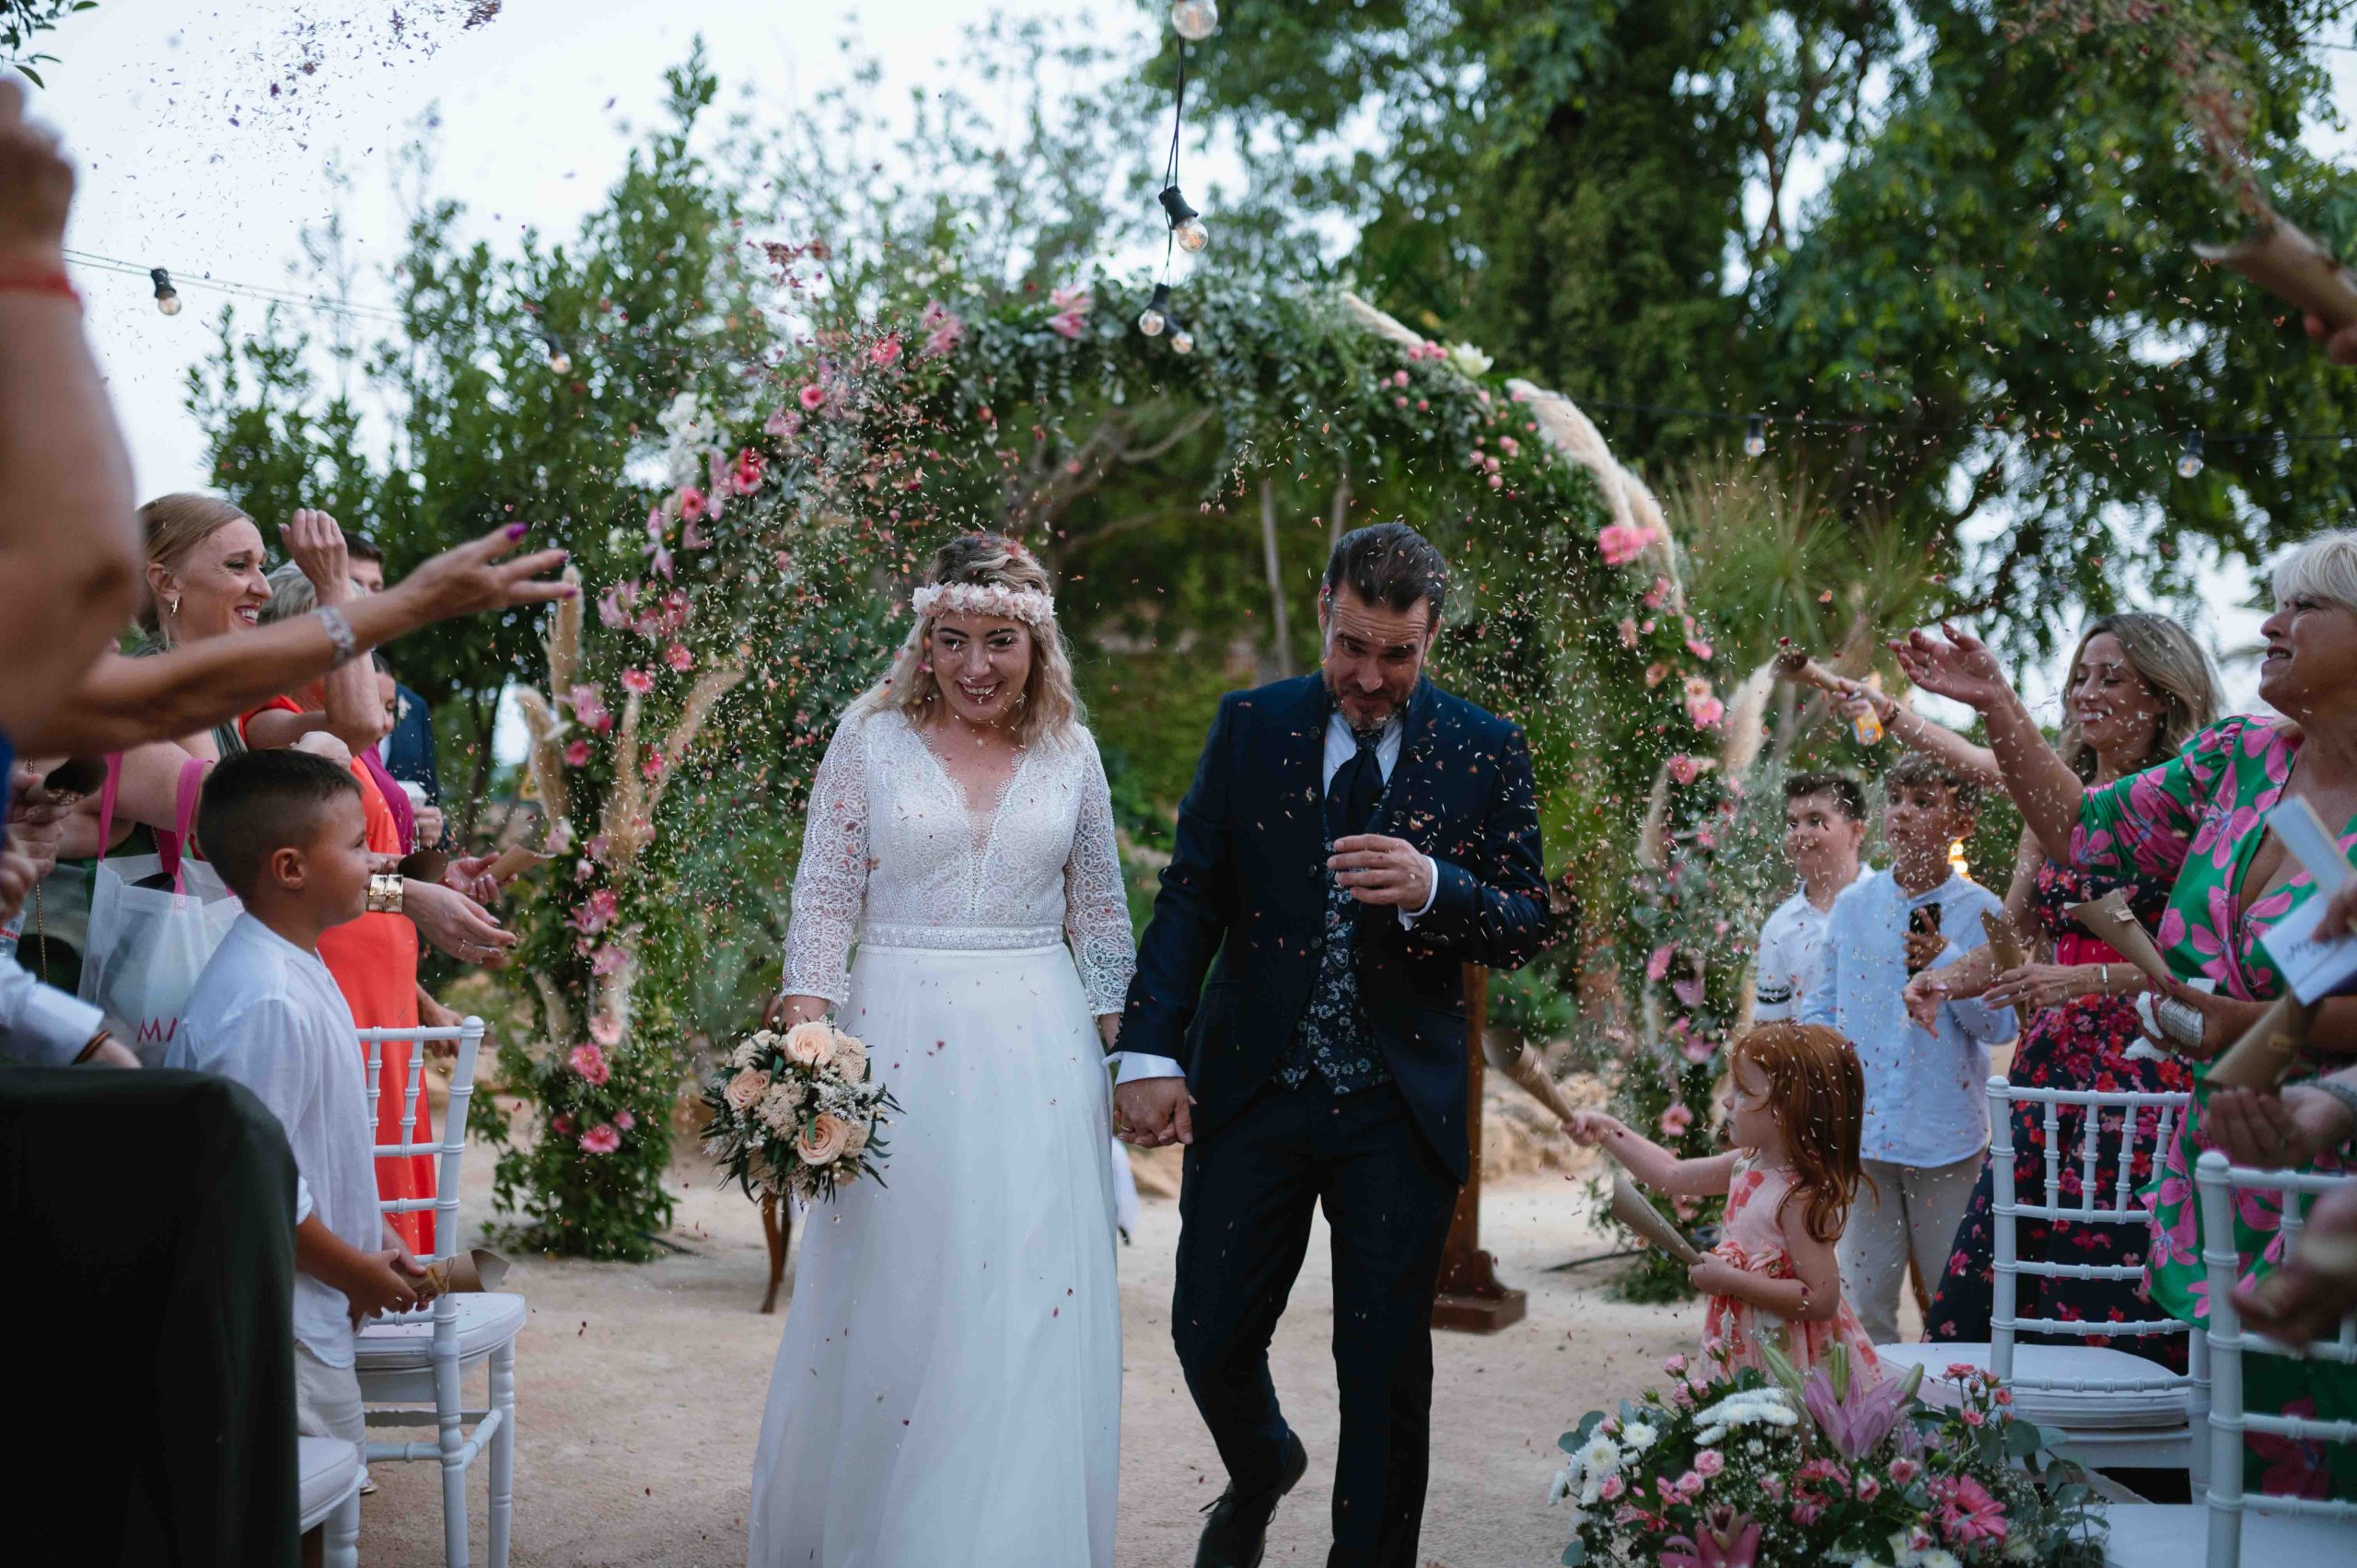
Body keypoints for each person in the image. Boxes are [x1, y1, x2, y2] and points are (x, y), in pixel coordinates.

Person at [1115, 522, 1551, 1568]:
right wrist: (1147, 1050)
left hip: (1396, 1107)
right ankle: (1262, 1463)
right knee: (1207, 1330)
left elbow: (1528, 919)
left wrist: (1438, 887)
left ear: (1430, 634)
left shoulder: (1485, 746)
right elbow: (1191, 897)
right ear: (1324, 607)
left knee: (1384, 1374)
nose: (1369, 675)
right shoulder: (1251, 724)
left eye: (1396, 654)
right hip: (1256, 1087)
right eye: (1352, 646)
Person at [1893, 529, 2357, 1500]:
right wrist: (1995, 700)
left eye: (2302, 609)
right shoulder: (2241, 760)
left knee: (2314, 1491)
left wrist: (2220, 1020)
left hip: (2330, 1202)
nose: (2268, 626)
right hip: (2216, 1186)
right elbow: (2079, 831)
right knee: (2226, 1473)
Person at [748, 534, 1135, 1567]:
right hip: (895, 1043)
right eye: (953, 639)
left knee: (1022, 1290)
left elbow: (1100, 918)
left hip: (1038, 1053)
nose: (975, 665)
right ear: (923, 638)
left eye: (998, 640)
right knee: (901, 1287)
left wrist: (1131, 1058)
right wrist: (807, 1041)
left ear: (1036, 642)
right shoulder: (867, 739)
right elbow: (824, 896)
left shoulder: (1073, 754)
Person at [1871, 615, 2218, 1365]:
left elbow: (2204, 967)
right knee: (2010, 1261)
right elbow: (2015, 932)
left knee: (2111, 1263)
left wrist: (2088, 978)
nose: (2086, 693)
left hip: (2144, 1067)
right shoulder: (2055, 804)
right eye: (2080, 676)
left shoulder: (2193, 804)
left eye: (2111, 676)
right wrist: (1943, 975)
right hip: (2050, 1070)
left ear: (2162, 696)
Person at [165, 749, 431, 1564]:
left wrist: (369, 1228)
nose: (379, 857)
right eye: (356, 844)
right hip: (276, 1320)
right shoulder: (266, 999)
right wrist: (351, 1270)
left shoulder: (298, 960)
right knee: (296, 1524)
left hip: (304, 1300)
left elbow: (311, 1148)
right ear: (288, 867)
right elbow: (259, 1193)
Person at [248, 554, 505, 1256]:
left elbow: (376, 868)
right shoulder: (283, 728)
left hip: (384, 985)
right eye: (353, 640)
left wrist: (433, 881)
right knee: (357, 1169)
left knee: (395, 1160)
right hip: (337, 979)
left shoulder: (342, 742)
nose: (367, 660)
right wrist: (414, 896)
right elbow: (327, 880)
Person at [1800, 752, 2016, 1344]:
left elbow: (2000, 1029)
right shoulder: (1854, 906)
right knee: (1864, 1300)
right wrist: (1814, 1079)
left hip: (1944, 1137)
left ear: (1962, 821)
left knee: (1952, 1299)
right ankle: (1878, 1427)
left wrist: (1946, 964)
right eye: (1896, 799)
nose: (1903, 814)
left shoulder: (1985, 911)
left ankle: (1949, 1429)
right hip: (1865, 1137)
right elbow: (1823, 1005)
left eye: (1924, 802)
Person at [1567, 1022, 1883, 1383]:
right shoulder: (1746, 1163)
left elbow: (1821, 1298)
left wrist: (1732, 1280)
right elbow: (1670, 1175)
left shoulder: (1798, 1194)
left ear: (1790, 1108)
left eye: (1745, 1091)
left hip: (1789, 1360)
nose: (1728, 1100)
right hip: (1745, 1340)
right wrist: (1607, 1130)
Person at [1752, 771, 1871, 1022]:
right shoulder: (1779, 927)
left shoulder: (1890, 903)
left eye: (1815, 821)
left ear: (1856, 832)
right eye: (1792, 824)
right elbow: (1772, 1028)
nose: (1799, 833)